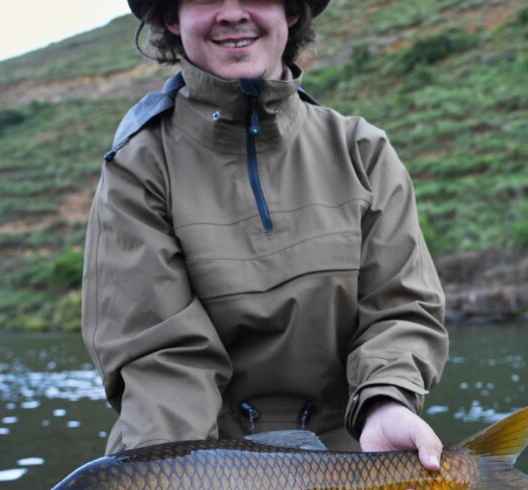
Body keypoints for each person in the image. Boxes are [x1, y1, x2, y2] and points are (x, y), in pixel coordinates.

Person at [81, 0, 449, 472]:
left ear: (291, 11)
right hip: (199, 465)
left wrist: (388, 403)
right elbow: (158, 356)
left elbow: (400, 307)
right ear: (172, 18)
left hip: (358, 458)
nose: (232, 13)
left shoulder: (363, 150)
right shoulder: (137, 167)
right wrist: (176, 473)